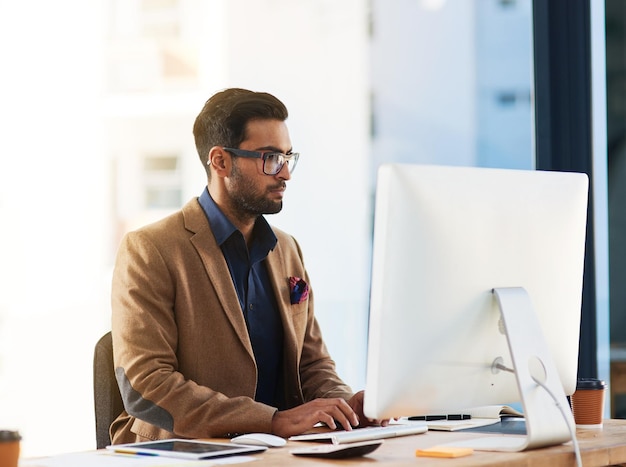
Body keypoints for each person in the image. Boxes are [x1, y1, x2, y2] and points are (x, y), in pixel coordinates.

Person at [110, 88, 383, 444]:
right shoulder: (150, 249)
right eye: (270, 158)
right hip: (184, 450)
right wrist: (272, 421)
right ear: (221, 161)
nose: (285, 173)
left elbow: (311, 365)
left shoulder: (287, 249)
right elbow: (146, 384)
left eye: (288, 157)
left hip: (280, 452)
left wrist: (346, 405)